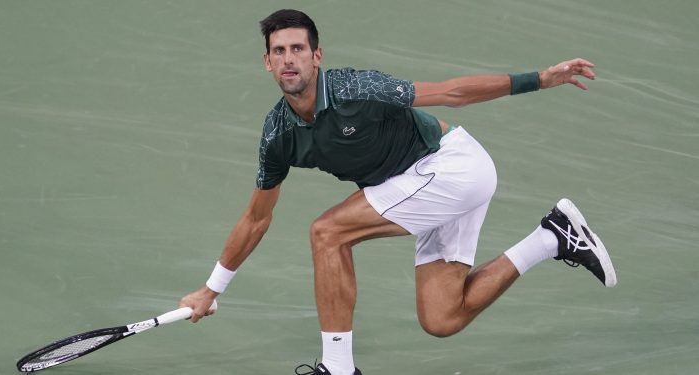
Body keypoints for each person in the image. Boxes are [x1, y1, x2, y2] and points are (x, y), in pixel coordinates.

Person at [179, 9, 617, 375]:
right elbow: (257, 218)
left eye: (297, 49)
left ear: (317, 56)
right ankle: (553, 236)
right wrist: (211, 290)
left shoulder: (356, 89)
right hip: (421, 188)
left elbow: (451, 93)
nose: (289, 59)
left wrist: (539, 79)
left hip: (451, 166)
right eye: (279, 51)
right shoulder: (278, 134)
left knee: (327, 232)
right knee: (442, 318)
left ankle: (338, 368)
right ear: (267, 63)